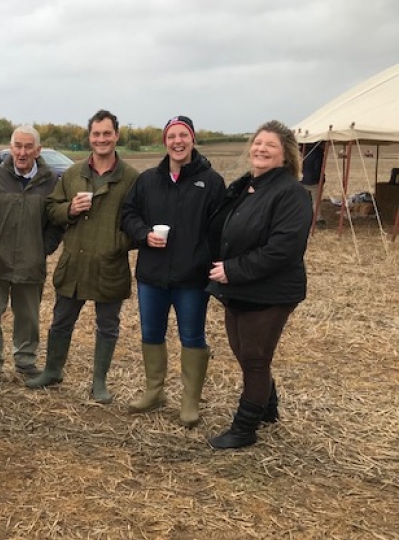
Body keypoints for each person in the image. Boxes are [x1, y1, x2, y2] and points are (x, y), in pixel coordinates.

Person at [206, 120, 312, 449]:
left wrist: (234, 270)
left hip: (269, 290)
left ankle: (245, 428)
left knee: (254, 357)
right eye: (257, 143)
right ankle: (268, 407)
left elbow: (283, 249)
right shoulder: (247, 186)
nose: (261, 149)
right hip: (238, 287)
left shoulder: (292, 194)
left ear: (285, 156)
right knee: (246, 353)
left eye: (270, 146)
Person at [27, 110, 139, 404]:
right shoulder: (74, 174)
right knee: (61, 321)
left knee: (108, 325)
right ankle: (52, 370)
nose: (101, 139)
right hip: (74, 262)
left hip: (109, 263)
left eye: (107, 133)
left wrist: (116, 243)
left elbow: (140, 222)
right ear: (89, 137)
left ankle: (99, 382)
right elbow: (51, 209)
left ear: (116, 135)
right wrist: (70, 210)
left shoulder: (130, 179)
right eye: (96, 134)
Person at [121, 116, 225, 427]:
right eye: (171, 136)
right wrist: (143, 234)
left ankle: (190, 400)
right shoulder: (148, 179)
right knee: (151, 334)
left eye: (183, 135)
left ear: (193, 139)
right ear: (165, 142)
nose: (177, 142)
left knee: (192, 336)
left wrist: (210, 263)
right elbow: (128, 213)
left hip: (191, 278)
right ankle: (155, 392)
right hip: (152, 275)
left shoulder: (211, 181)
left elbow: (220, 229)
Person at [0, 125, 63, 389]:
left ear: (38, 150)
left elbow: (55, 222)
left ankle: (25, 360)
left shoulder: (50, 181)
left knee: (28, 317)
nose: (22, 152)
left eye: (28, 147)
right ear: (11, 148)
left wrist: (43, 249)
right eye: (17, 146)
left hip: (31, 264)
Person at [301, 142, 326, 227]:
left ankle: (305, 216)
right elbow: (318, 168)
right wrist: (321, 179)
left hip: (302, 179)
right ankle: (318, 219)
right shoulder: (318, 153)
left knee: (305, 200)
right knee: (316, 201)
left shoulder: (301, 151)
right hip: (314, 181)